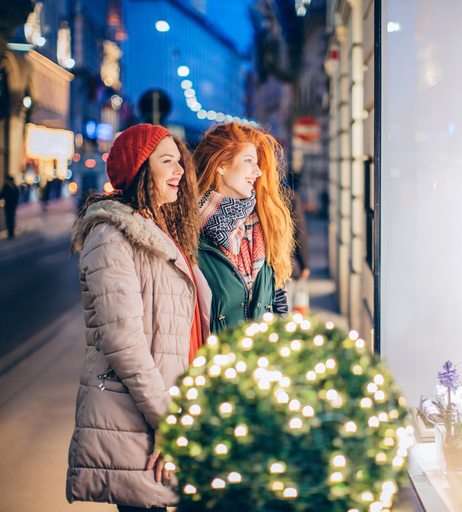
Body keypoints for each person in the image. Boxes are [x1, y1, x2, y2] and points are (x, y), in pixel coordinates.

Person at [66, 124, 211, 511]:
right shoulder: (111, 236)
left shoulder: (161, 230)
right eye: (167, 161)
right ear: (139, 169)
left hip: (167, 407)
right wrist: (167, 421)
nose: (180, 169)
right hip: (138, 419)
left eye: (180, 161)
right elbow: (123, 342)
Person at [192, 122, 294, 333]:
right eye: (248, 161)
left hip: (260, 361)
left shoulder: (264, 224)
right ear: (221, 165)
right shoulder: (188, 231)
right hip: (214, 362)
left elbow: (277, 297)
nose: (257, 172)